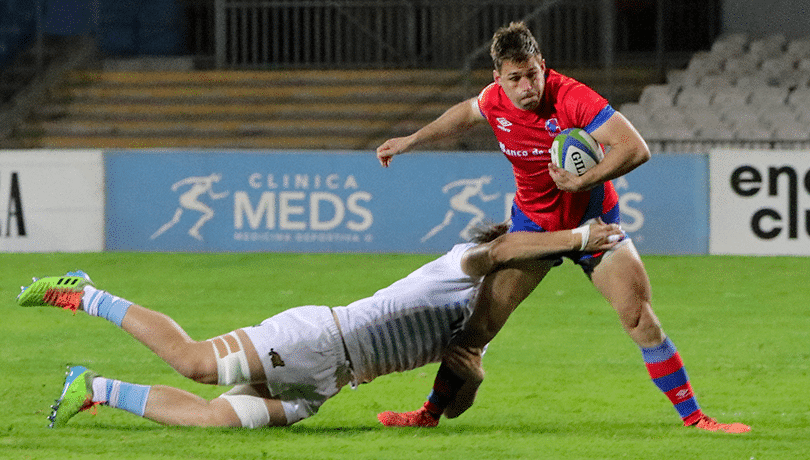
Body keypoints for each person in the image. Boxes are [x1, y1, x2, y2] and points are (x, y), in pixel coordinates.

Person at [375, 22, 750, 433]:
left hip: (596, 226)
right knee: (477, 329)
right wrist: (411, 140)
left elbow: (635, 148)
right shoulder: (494, 101)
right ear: (498, 79)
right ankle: (427, 415)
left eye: (532, 74)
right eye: (514, 79)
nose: (525, 87)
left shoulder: (572, 97)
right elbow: (464, 115)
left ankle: (696, 419)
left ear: (543, 66)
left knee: (640, 319)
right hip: (535, 229)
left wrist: (583, 181)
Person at [17, 221, 621, 429]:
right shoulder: (460, 267)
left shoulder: (476, 325)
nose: (520, 286)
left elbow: (454, 408)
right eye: (521, 270)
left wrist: (471, 379)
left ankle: (90, 387)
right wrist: (575, 239)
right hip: (316, 340)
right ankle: (87, 294)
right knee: (196, 363)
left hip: (328, 383)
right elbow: (500, 251)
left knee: (212, 420)